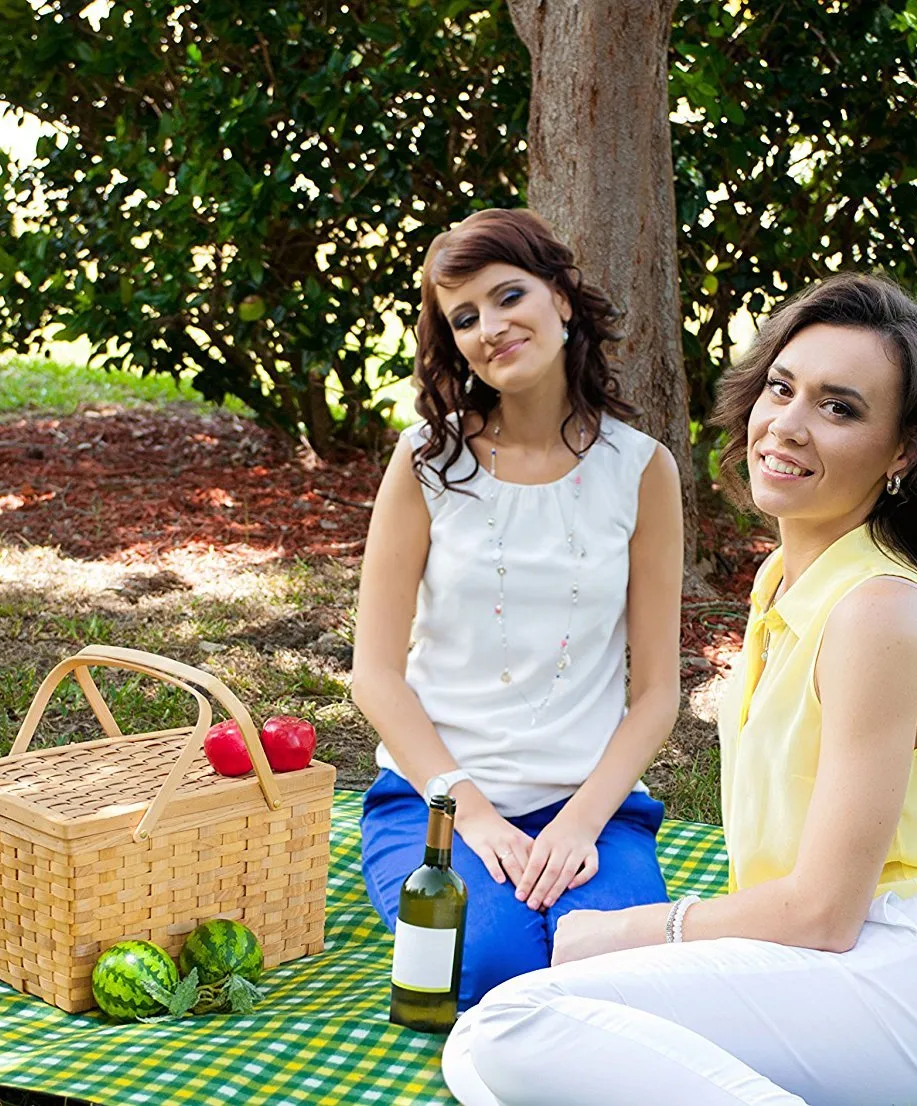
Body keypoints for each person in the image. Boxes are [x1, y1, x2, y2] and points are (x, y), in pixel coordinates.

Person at [442, 272, 917, 1106]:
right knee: (486, 1053)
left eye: (839, 408)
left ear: (905, 452)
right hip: (819, 961)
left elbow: (825, 911)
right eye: (782, 389)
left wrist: (638, 931)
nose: (786, 425)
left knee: (513, 1025)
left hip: (907, 977)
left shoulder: (876, 615)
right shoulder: (785, 577)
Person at [351, 208, 684, 1009]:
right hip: (435, 801)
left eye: (508, 297)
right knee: (488, 968)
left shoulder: (642, 470)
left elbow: (657, 694)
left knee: (610, 979)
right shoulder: (427, 461)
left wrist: (577, 823)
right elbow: (374, 676)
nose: (489, 328)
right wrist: (473, 815)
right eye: (463, 317)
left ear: (562, 299)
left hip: (591, 806)